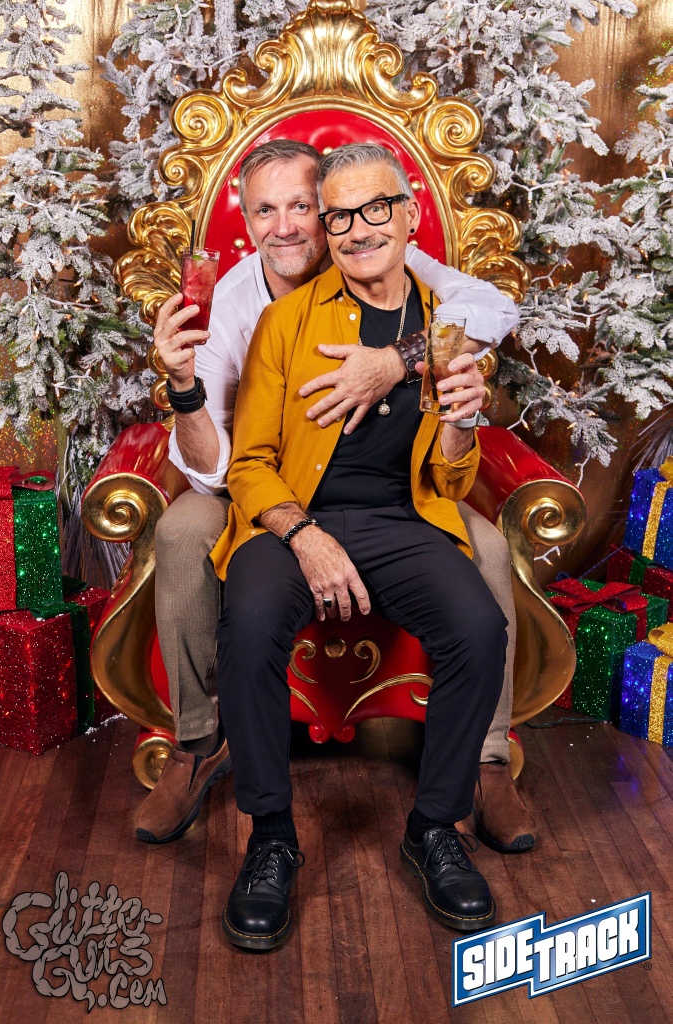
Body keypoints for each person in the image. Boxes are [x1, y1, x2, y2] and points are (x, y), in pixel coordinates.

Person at [136, 139, 536, 857]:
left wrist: (397, 364)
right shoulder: (240, 308)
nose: (287, 226)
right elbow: (220, 468)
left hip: (396, 505)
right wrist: (186, 388)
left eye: (302, 207)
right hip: (242, 481)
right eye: (266, 210)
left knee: (487, 555)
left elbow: (489, 310)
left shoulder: (399, 270)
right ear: (246, 222)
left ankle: (484, 761)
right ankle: (198, 745)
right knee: (186, 534)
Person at [207, 142, 513, 949]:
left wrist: (460, 421)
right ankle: (271, 837)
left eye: (375, 208)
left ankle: (434, 826)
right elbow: (248, 464)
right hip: (293, 520)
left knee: (479, 628)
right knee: (248, 623)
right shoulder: (284, 322)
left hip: (403, 522)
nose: (356, 229)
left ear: (409, 214)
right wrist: (304, 536)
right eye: (338, 216)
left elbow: (449, 480)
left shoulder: (445, 328)